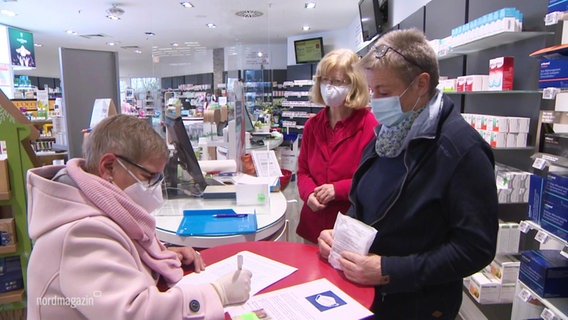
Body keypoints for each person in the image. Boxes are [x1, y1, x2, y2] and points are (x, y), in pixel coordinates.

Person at [318, 29, 498, 319]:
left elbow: (475, 247)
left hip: (419, 306)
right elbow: (362, 204)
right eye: (372, 90)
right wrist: (339, 234)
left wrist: (390, 271)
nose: (375, 101)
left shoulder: (461, 150)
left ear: (421, 84)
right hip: (366, 296)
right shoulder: (385, 135)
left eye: (384, 92)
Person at [26, 114, 252, 319]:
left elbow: (115, 258)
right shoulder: (81, 235)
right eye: (147, 176)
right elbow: (135, 313)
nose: (154, 187)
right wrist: (217, 293)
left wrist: (154, 256)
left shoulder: (92, 204)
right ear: (109, 167)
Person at [296, 48, 378, 244]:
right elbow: (302, 172)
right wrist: (308, 195)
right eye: (324, 80)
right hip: (313, 224)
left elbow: (373, 180)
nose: (329, 87)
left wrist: (338, 189)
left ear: (354, 84)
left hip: (348, 227)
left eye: (337, 81)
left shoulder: (370, 126)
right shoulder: (312, 125)